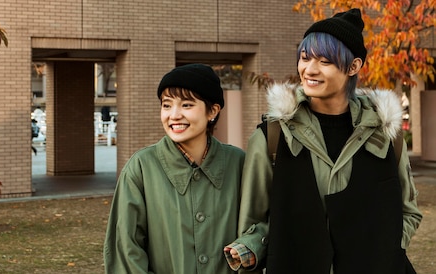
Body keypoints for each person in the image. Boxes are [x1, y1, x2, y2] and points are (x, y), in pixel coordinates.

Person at [224, 8, 423, 274]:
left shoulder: (386, 133)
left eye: (325, 61)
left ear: (354, 66)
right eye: (305, 58)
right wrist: (250, 249)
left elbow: (408, 211)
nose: (309, 69)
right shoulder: (272, 137)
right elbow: (254, 221)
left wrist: (390, 247)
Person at [103, 63, 245, 273]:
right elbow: (126, 252)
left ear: (212, 111)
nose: (174, 115)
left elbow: (261, 225)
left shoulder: (238, 163)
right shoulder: (141, 167)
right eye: (167, 105)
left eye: (186, 105)